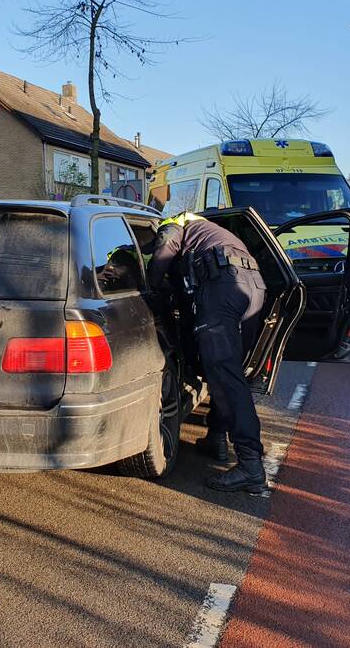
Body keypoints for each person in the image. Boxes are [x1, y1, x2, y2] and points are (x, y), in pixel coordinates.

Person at [146, 211, 268, 493]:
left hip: (223, 284)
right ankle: (216, 437)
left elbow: (166, 248)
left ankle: (250, 464)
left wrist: (151, 286)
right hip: (253, 286)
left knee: (224, 373)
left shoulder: (176, 224)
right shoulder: (211, 232)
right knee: (227, 369)